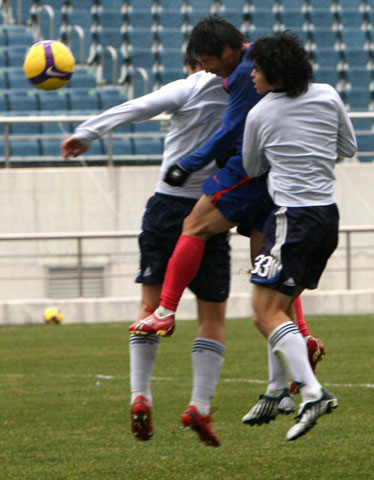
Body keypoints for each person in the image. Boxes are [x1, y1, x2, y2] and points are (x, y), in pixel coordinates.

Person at [129, 16, 325, 394]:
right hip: (292, 187)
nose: (206, 69)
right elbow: (345, 147)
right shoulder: (316, 91)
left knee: (195, 226)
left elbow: (233, 133)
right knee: (267, 276)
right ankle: (296, 356)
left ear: (231, 52)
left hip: (253, 179)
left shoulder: (246, 78)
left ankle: (165, 312)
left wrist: (189, 163)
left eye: (208, 60)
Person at [62, 50, 232, 447]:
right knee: (213, 316)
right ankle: (199, 406)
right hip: (211, 210)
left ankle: (141, 396)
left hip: (166, 207)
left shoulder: (189, 86)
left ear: (194, 64)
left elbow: (138, 106)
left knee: (149, 308)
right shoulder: (240, 93)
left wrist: (87, 133)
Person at [240, 32, 356, 441]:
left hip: (291, 218)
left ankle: (312, 391)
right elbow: (348, 146)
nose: (251, 74)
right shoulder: (327, 94)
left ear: (274, 73)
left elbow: (253, 168)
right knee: (281, 306)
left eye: (256, 68)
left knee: (262, 312)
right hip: (327, 216)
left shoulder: (260, 113)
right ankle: (279, 392)